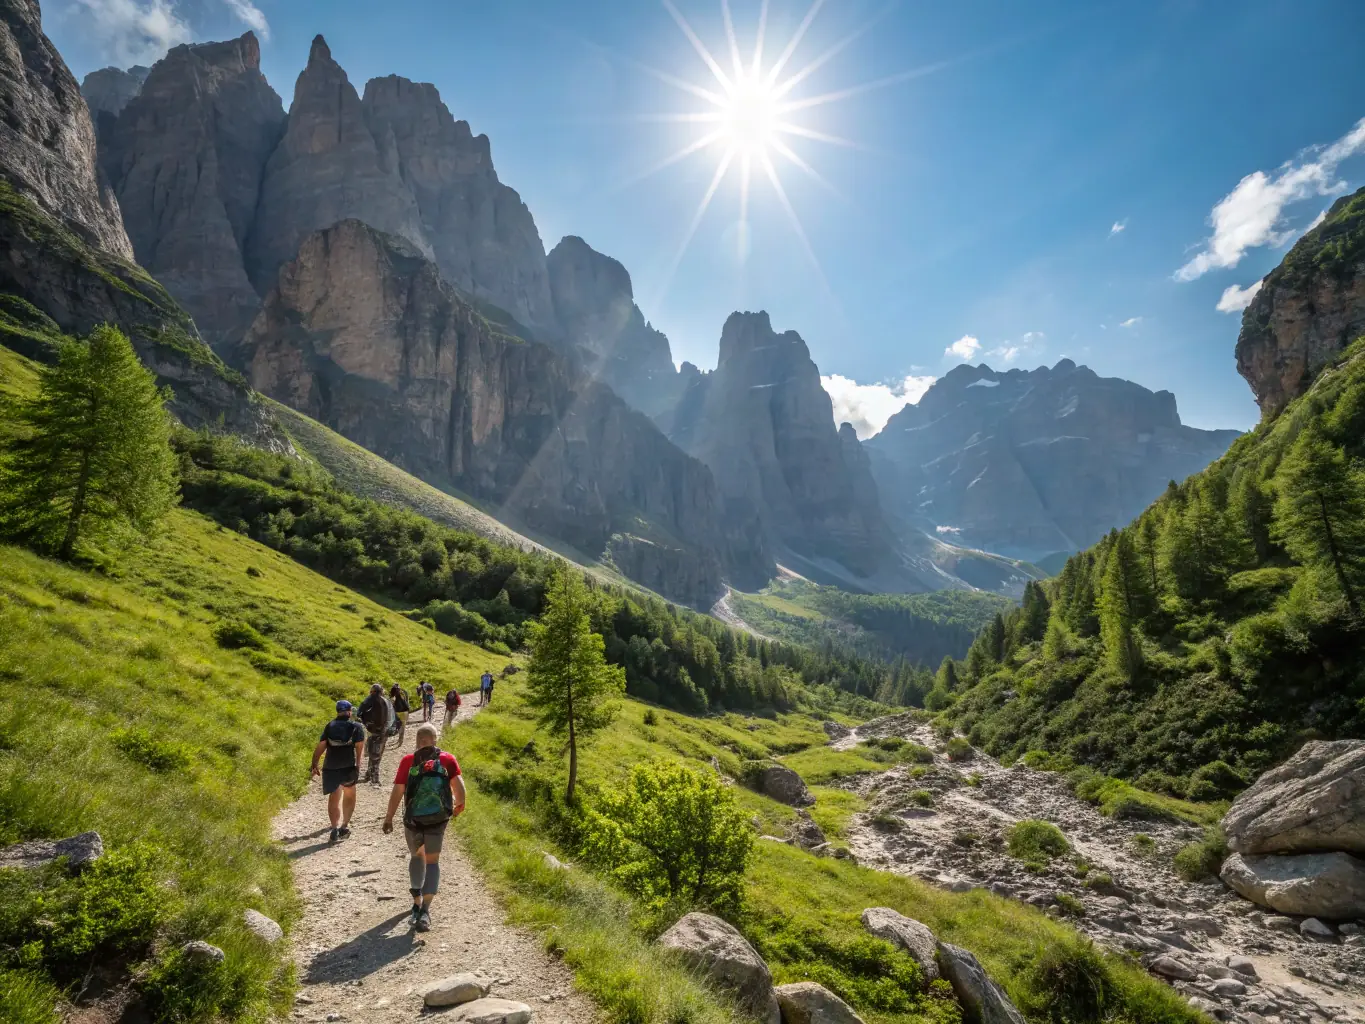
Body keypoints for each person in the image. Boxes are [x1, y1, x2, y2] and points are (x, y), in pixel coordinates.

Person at [382, 723, 465, 932]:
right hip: (438, 820)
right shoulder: (447, 759)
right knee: (433, 861)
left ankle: (417, 901)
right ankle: (426, 911)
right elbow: (460, 790)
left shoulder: (408, 761)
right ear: (435, 739)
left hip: (413, 821)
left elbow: (398, 791)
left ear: (418, 741)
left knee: (416, 856)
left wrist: (389, 817)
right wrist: (456, 808)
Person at [311, 700, 366, 842]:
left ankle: (334, 828)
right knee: (349, 795)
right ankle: (344, 826)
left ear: (337, 711)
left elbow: (321, 745)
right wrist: (358, 765)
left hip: (330, 767)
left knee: (334, 797)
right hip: (348, 766)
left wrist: (314, 763)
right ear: (349, 711)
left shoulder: (330, 726)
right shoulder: (356, 727)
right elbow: (359, 748)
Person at [358, 683, 393, 785]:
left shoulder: (369, 699)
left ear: (372, 691)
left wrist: (365, 723)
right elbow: (392, 716)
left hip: (372, 730)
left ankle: (373, 776)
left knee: (372, 752)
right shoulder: (386, 700)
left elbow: (359, 713)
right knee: (378, 752)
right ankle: (371, 774)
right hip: (385, 731)